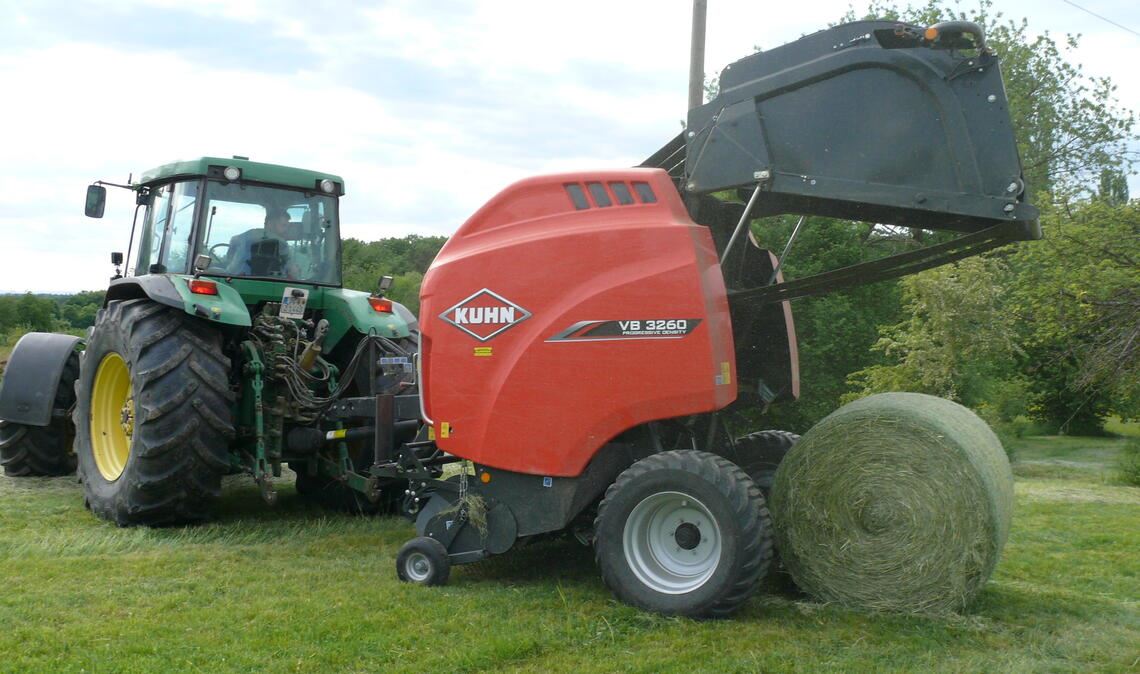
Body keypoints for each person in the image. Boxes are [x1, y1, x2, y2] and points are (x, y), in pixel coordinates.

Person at [224, 208, 301, 278]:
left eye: (287, 226)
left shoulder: (248, 235)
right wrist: (296, 270)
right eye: (283, 225)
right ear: (270, 223)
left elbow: (233, 242)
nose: (286, 229)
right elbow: (292, 271)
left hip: (235, 279)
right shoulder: (282, 244)